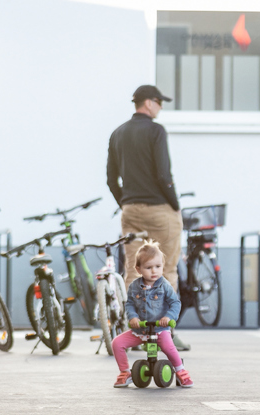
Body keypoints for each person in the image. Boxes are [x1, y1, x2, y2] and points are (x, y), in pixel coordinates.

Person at [106, 85, 189, 350]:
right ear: (150, 103)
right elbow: (164, 176)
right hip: (159, 209)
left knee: (134, 269)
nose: (161, 108)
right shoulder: (156, 131)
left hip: (130, 210)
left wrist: (126, 202)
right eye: (160, 103)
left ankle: (138, 334)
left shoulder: (117, 133)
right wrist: (175, 206)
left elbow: (111, 179)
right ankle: (165, 335)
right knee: (165, 270)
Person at [111, 242, 193, 388]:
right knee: (117, 343)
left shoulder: (164, 286)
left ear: (162, 266)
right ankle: (125, 373)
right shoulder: (134, 286)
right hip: (140, 330)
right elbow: (129, 304)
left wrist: (168, 317)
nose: (154, 271)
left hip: (159, 330)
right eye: (148, 268)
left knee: (169, 348)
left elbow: (175, 303)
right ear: (138, 269)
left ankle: (181, 371)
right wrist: (133, 318)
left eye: (158, 267)